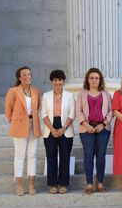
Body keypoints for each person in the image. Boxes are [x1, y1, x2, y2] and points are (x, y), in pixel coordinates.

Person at [5, 66, 42, 196]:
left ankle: (32, 183)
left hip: (34, 124)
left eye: (29, 74)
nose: (27, 77)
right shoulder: (13, 91)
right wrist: (14, 121)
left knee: (32, 155)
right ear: (19, 78)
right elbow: (8, 109)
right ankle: (19, 184)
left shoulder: (36, 91)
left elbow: (37, 108)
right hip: (19, 124)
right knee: (20, 155)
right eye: (24, 75)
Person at [76, 68, 113, 195]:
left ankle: (100, 182)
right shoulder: (81, 94)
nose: (94, 80)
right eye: (91, 78)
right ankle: (89, 183)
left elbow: (111, 111)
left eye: (96, 78)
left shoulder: (106, 94)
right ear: (87, 79)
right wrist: (86, 125)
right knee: (88, 156)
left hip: (103, 129)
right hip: (86, 129)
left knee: (101, 156)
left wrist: (103, 124)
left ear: (100, 80)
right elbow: (78, 111)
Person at [41, 70, 75, 194]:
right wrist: (52, 129)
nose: (58, 82)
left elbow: (72, 114)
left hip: (65, 128)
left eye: (60, 80)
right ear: (52, 81)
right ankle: (52, 184)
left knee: (65, 157)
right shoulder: (46, 95)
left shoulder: (70, 95)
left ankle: (63, 184)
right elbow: (43, 114)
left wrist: (63, 128)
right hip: (50, 128)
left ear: (63, 81)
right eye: (55, 80)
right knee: (51, 157)